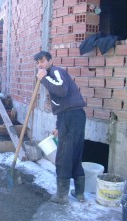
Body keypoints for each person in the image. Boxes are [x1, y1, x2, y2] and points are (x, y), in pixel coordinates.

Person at [34, 51, 87, 204]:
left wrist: (43, 78)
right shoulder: (53, 74)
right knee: (75, 152)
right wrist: (58, 126)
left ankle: (62, 196)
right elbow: (62, 104)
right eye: (38, 62)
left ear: (50, 61)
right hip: (75, 116)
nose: (40, 65)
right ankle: (79, 194)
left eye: (42, 61)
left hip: (70, 117)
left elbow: (62, 91)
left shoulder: (55, 72)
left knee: (64, 154)